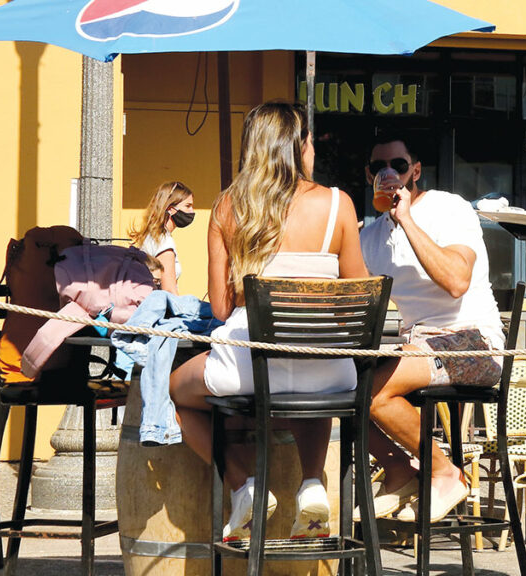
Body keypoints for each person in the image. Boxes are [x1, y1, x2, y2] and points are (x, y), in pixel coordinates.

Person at [170, 101, 368, 541]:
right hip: (329, 370)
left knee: (171, 394)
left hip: (247, 367)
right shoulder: (339, 204)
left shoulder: (227, 207)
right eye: (310, 139)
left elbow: (220, 308)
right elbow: (358, 293)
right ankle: (312, 484)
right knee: (306, 375)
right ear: (296, 147)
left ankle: (244, 484)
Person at [358, 132, 504, 524]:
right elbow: (352, 300)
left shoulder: (448, 208)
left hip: (474, 342)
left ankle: (445, 473)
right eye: (378, 167)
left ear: (416, 171)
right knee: (338, 386)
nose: (388, 174)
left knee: (374, 389)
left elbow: (457, 280)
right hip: (418, 348)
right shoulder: (369, 237)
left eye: (398, 166)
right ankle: (401, 470)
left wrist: (405, 218)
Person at [130, 181, 195, 294]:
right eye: (187, 206)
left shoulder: (152, 235)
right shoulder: (164, 240)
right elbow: (169, 290)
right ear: (170, 208)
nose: (192, 211)